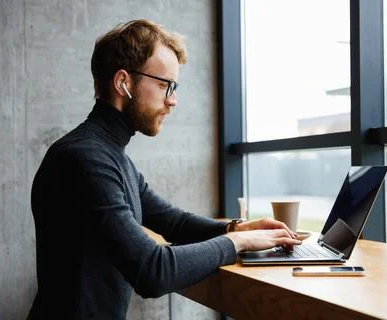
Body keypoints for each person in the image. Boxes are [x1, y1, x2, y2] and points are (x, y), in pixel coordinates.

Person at [27, 19, 301, 320]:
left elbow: (174, 222)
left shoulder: (109, 156)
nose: (172, 100)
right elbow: (151, 270)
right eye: (163, 85)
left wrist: (235, 227)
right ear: (123, 83)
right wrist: (239, 243)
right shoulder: (85, 159)